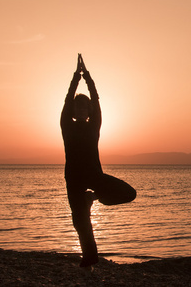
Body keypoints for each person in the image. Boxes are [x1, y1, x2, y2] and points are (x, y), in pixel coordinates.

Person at [60, 54, 136, 269]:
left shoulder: (95, 126)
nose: (82, 110)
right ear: (74, 112)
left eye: (85, 108)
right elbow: (67, 100)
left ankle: (94, 197)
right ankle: (89, 260)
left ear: (89, 110)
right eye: (78, 108)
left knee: (129, 193)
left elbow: (96, 99)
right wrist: (76, 76)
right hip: (74, 179)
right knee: (80, 222)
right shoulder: (67, 126)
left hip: (94, 175)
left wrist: (89, 78)